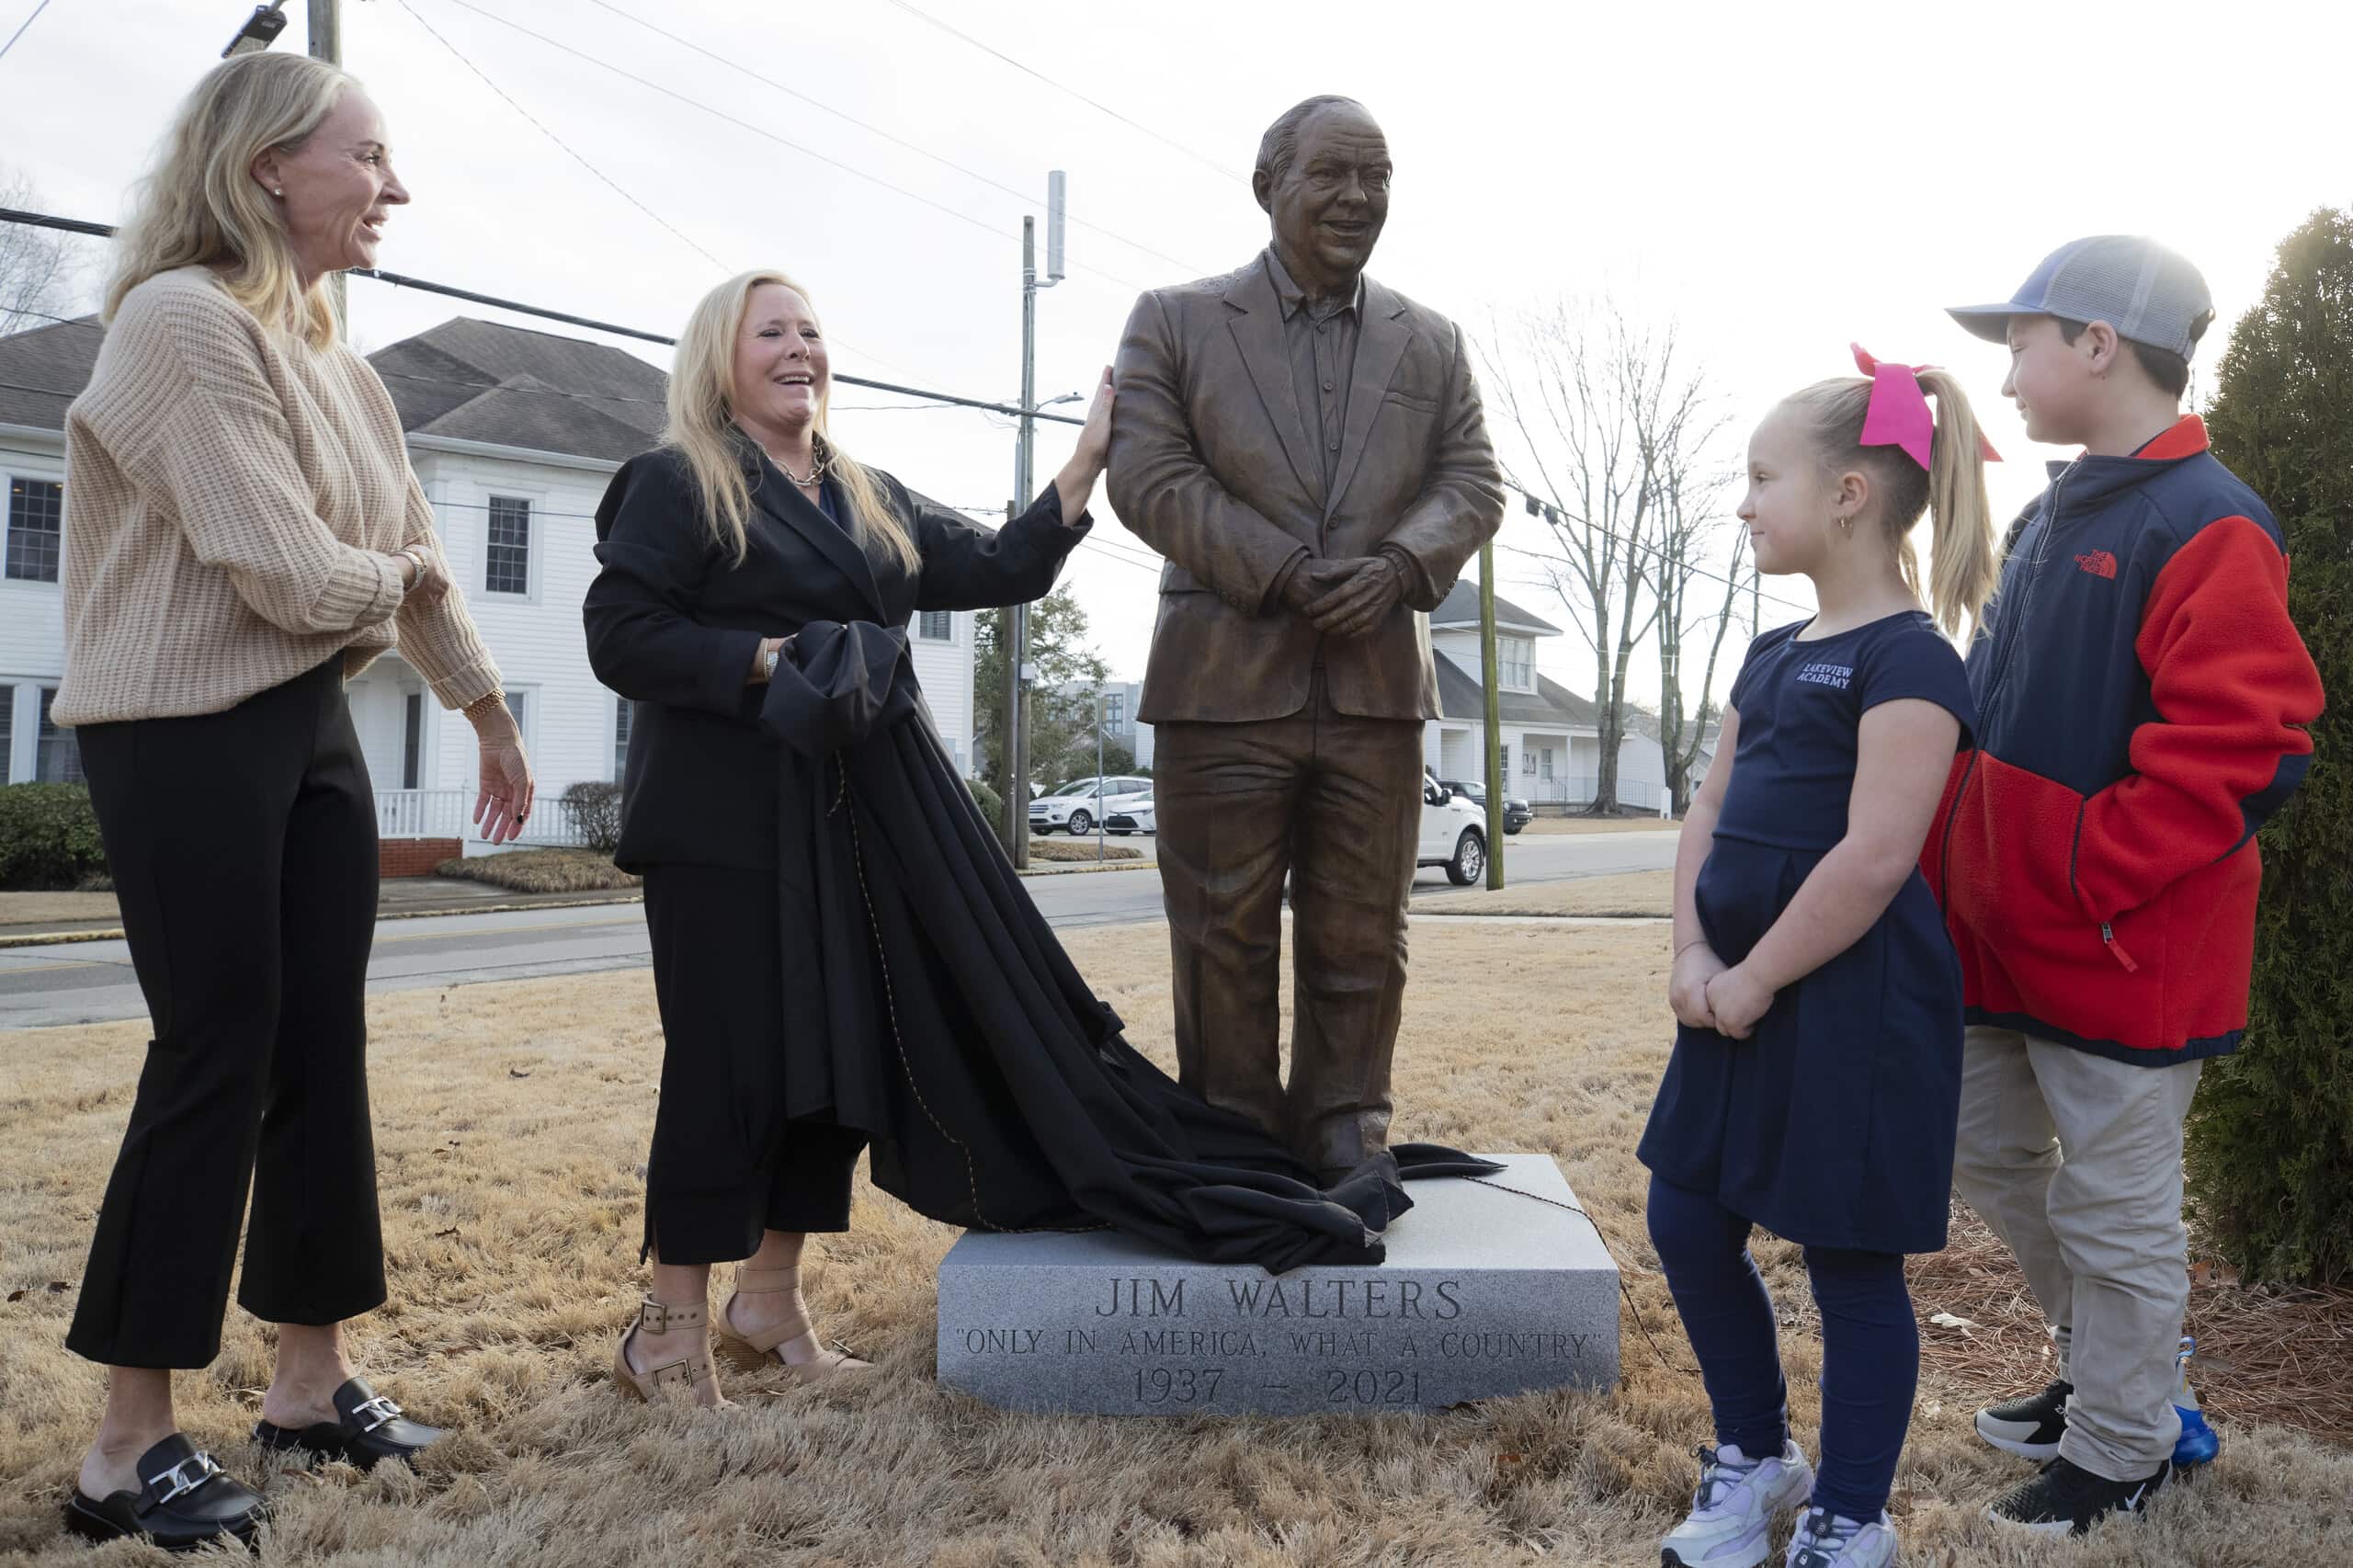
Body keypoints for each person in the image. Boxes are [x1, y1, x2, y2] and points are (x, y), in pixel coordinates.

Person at [585, 269, 1492, 1407]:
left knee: (833, 1063)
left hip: (853, 827)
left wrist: (1088, 457)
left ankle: (767, 1299)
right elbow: (620, 635)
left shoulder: (864, 493)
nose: (799, 349)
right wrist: (771, 659)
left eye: (813, 330)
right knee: (729, 1068)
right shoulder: (677, 483)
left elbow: (1000, 567)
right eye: (772, 331)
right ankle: (665, 1333)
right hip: (724, 830)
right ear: (721, 355)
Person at [52, 51, 534, 1551]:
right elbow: (295, 570)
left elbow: (396, 575)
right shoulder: (178, 325)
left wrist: (488, 714)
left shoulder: (343, 362)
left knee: (321, 1045)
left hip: (308, 720)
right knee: (219, 1047)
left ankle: (310, 1389)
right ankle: (126, 1449)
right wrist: (389, 586)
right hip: (180, 725)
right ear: (270, 167)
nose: (396, 189)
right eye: (371, 159)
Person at [1934, 237, 2325, 1535]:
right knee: (1986, 1148)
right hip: (2005, 942)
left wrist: (2083, 872)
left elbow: (2250, 747)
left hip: (2123, 950)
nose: (2011, 369)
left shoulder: (2209, 519)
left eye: (2025, 340)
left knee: (2114, 1206)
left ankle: (2124, 1445)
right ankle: (2115, 1370)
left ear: (2099, 342)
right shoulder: (2054, 514)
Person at [1639, 348, 1997, 1568]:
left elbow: (1877, 856)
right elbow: (1710, 810)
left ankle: (1850, 1509)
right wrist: (1693, 946)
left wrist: (1756, 976)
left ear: (1849, 492)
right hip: (1730, 986)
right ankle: (1756, 1452)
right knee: (1687, 1215)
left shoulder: (1913, 660)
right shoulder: (1771, 651)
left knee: (1848, 1255)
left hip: (1851, 1001)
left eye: (1760, 477)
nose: (1744, 502)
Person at [1108, 96, 1505, 1182]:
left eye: (1376, 177)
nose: (1357, 197)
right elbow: (1144, 474)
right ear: (1267, 185)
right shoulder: (1175, 320)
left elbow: (1471, 480)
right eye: (1332, 174)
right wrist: (1278, 570)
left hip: (1376, 683)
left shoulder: (1430, 341)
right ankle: (1233, 1141)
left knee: (1361, 932)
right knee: (1220, 933)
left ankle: (1345, 1131)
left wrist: (1395, 568)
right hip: (1221, 680)